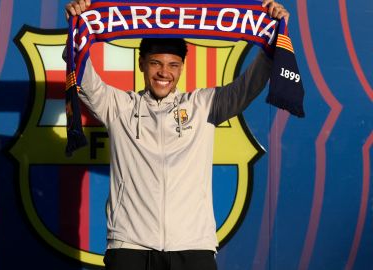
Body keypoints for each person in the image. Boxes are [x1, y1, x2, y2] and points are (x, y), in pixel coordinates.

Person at [64, 1, 290, 269]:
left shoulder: (204, 105)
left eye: (173, 65)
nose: (164, 72)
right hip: (129, 248)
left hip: (193, 248)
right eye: (155, 63)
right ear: (141, 65)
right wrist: (77, 23)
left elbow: (246, 87)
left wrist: (273, 38)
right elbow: (80, 69)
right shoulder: (118, 107)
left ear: (182, 67)